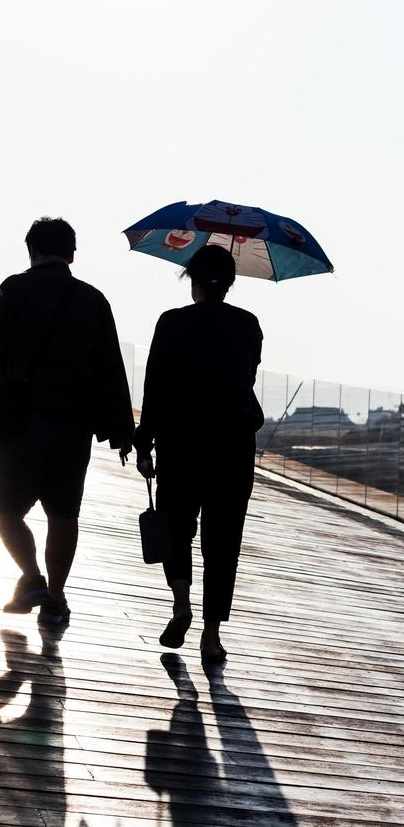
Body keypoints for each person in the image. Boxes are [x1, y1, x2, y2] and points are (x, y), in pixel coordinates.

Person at [0, 217, 134, 626]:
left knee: (5, 510)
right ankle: (55, 599)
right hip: (74, 426)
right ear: (72, 254)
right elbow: (111, 369)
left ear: (31, 251)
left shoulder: (13, 290)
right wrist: (122, 431)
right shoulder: (93, 301)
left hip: (19, 420)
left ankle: (31, 576)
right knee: (63, 512)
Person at [134, 244, 263, 662]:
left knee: (176, 530)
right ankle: (211, 636)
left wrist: (144, 443)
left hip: (181, 444)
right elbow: (246, 377)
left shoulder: (171, 324)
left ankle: (181, 605)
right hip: (232, 447)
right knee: (223, 543)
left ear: (191, 281)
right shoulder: (248, 326)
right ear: (230, 283)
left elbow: (155, 389)